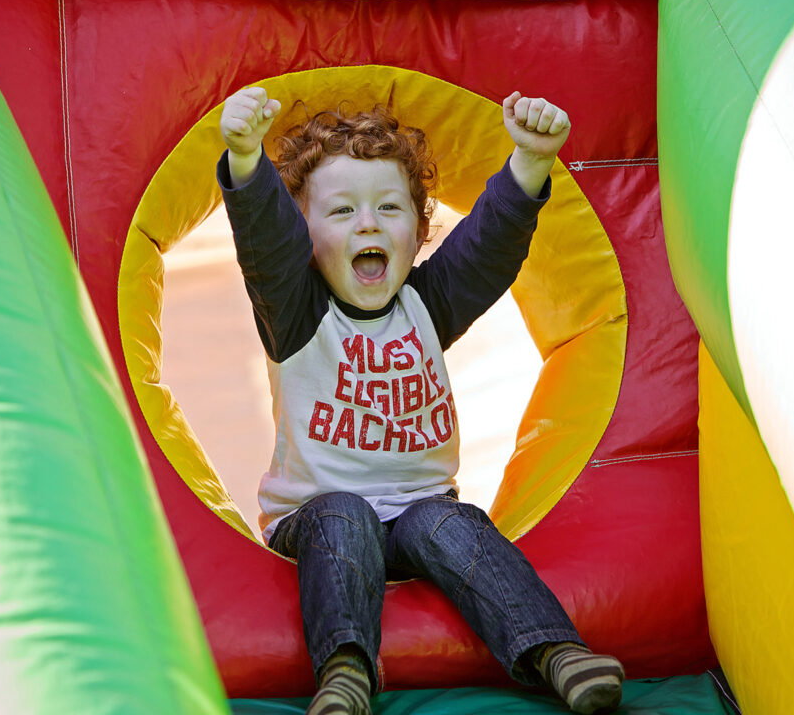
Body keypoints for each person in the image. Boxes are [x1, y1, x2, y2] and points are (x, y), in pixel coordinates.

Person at [215, 85, 624, 715]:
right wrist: (247, 160)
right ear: (307, 236)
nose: (369, 223)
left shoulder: (424, 306)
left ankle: (557, 652)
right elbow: (266, 245)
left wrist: (532, 162)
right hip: (316, 514)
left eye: (389, 207)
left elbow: (486, 251)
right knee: (344, 513)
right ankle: (347, 671)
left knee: (452, 524)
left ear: (420, 228)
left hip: (417, 511)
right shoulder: (297, 315)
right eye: (342, 211)